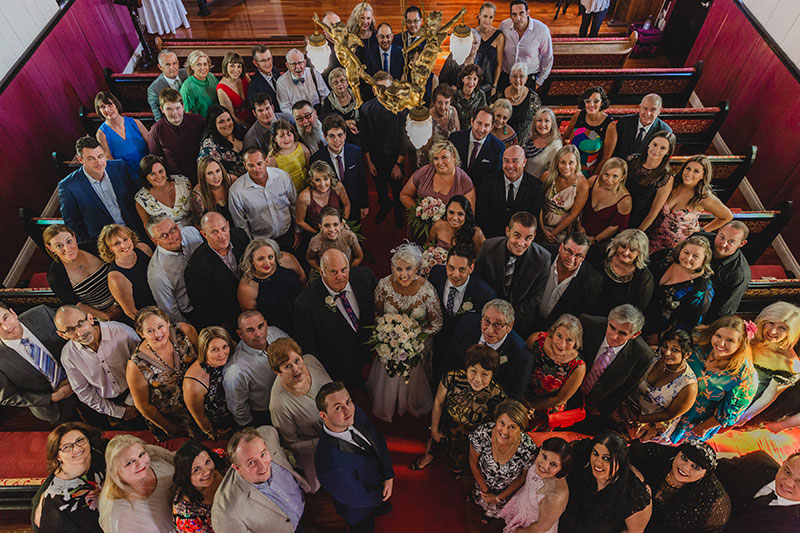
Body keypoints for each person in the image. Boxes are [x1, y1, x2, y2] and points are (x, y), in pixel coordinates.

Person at [366, 243, 442, 421]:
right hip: (390, 343)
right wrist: (387, 332)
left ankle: (411, 401)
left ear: (417, 267)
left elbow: (437, 323)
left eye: (409, 269)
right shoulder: (384, 286)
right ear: (392, 267)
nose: (404, 274)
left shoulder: (427, 290)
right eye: (398, 269)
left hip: (418, 344)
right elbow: (377, 314)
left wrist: (413, 338)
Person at [413, 345, 506, 474]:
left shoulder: (498, 395)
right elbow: (438, 404)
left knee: (457, 467)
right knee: (430, 452)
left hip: (470, 438)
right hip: (447, 426)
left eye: (485, 374)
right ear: (467, 367)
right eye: (473, 371)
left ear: (492, 375)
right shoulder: (450, 379)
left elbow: (495, 426)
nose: (478, 379)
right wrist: (434, 429)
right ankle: (427, 458)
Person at [315, 382, 395, 532]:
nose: (348, 410)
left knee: (378, 506)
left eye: (348, 402)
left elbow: (378, 439)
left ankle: (378, 507)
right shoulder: (328, 461)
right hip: (358, 510)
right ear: (323, 415)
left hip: (377, 484)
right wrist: (381, 495)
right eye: (338, 407)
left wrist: (388, 475)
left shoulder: (354, 413)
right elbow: (356, 497)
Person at [294, 249, 378, 386]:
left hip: (371, 356)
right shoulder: (305, 304)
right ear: (322, 272)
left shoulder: (365, 276)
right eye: (334, 272)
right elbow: (310, 348)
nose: (341, 276)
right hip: (340, 368)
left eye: (344, 270)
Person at [669, 315, 758, 442]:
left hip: (692, 421)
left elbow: (728, 414)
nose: (721, 343)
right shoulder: (699, 345)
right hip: (669, 403)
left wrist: (702, 428)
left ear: (741, 344)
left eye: (730, 340)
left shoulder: (745, 376)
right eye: (718, 336)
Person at [212, 426, 309, 532]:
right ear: (237, 468)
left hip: (304, 511)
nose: (263, 466)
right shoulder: (226, 513)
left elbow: (268, 430)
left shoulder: (266, 437)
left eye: (263, 454)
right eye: (251, 462)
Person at [55, 306, 140, 426]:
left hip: (141, 392)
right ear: (62, 335)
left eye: (80, 323)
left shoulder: (121, 332)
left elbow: (144, 366)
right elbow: (84, 392)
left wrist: (132, 402)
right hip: (111, 404)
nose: (80, 333)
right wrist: (119, 412)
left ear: (90, 318)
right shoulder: (68, 356)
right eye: (70, 330)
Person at [268, 337, 332, 493]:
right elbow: (291, 443)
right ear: (277, 371)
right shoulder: (279, 404)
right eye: (287, 366)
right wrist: (325, 441)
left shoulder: (311, 361)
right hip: (317, 447)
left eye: (297, 361)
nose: (296, 369)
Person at [126, 306, 199, 440]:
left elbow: (204, 359)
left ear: (168, 322)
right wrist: (169, 428)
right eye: (150, 331)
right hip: (175, 419)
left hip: (201, 402)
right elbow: (144, 406)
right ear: (141, 333)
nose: (158, 334)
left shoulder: (185, 331)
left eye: (160, 326)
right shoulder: (136, 365)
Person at [613, 328, 698, 442]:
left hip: (649, 425)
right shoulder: (652, 355)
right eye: (665, 346)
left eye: (675, 350)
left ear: (687, 355)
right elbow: (627, 378)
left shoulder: (688, 386)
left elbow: (670, 414)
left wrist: (638, 419)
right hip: (623, 408)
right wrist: (622, 404)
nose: (667, 352)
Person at [475, 211, 550, 337]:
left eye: (528, 238)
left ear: (534, 236)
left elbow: (536, 296)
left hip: (519, 320)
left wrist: (507, 320)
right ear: (507, 231)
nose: (521, 243)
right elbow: (478, 281)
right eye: (517, 235)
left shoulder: (543, 258)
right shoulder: (488, 247)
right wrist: (492, 316)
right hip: (486, 313)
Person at [559, 431, 652, 533]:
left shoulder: (635, 493)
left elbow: (633, 531)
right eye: (595, 453)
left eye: (606, 458)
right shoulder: (580, 460)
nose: (598, 462)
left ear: (620, 461)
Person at [629, 440, 730, 533]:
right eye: (684, 458)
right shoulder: (656, 456)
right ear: (677, 453)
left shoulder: (712, 499)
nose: (685, 467)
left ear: (705, 474)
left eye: (695, 467)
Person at [58, 136, 142, 246]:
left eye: (100, 156)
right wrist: (93, 248)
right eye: (91, 159)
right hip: (105, 244)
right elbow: (74, 226)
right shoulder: (68, 187)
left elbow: (140, 194)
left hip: (135, 232)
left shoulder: (120, 167)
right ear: (80, 160)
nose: (98, 162)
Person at [428, 246, 497, 378]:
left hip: (463, 350)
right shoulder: (436, 274)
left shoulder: (485, 293)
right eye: (451, 268)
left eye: (462, 270)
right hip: (437, 341)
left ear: (471, 268)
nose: (455, 274)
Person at [0, 302, 74, 424]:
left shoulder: (42, 314)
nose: (6, 327)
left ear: (13, 313)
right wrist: (53, 397)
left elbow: (74, 333)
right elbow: (7, 397)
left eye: (6, 318)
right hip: (54, 406)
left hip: (84, 382)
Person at [445, 299, 534, 399]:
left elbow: (513, 396)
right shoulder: (467, 323)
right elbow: (448, 358)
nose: (489, 330)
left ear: (509, 326)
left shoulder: (522, 356)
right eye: (487, 321)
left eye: (497, 324)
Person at [579, 304, 654, 418]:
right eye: (612, 327)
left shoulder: (642, 355)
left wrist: (603, 408)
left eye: (622, 333)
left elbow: (627, 387)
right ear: (608, 321)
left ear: (635, 334)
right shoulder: (587, 324)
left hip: (594, 407)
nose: (614, 336)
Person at [648, 155, 733, 254]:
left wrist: (701, 230)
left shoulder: (704, 197)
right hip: (651, 237)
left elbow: (727, 216)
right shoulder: (672, 184)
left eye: (696, 171)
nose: (689, 173)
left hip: (674, 248)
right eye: (688, 168)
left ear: (703, 175)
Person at [469, 399, 537, 521]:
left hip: (506, 492)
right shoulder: (482, 433)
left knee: (496, 510)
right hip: (482, 483)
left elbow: (522, 478)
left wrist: (498, 498)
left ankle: (490, 514)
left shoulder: (528, 449)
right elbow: (473, 463)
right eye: (502, 423)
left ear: (521, 429)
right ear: (496, 420)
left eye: (512, 427)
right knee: (480, 498)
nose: (504, 431)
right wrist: (485, 491)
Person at [32, 422, 106, 532]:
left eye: (80, 440)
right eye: (67, 447)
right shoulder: (57, 498)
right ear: (57, 456)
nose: (77, 449)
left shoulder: (98, 450)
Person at [736, 301, 800, 427]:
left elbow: (768, 397)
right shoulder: (748, 334)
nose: (773, 331)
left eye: (783, 328)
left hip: (740, 401)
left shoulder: (791, 363)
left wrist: (742, 418)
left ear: (792, 332)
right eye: (770, 323)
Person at [184, 211, 249, 332]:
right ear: (204, 234)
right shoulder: (195, 268)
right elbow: (205, 309)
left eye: (224, 228)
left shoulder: (240, 236)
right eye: (214, 232)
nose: (222, 235)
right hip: (231, 320)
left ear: (228, 225)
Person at [98, 434, 176, 533]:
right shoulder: (117, 515)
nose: (141, 463)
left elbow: (178, 459)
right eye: (130, 463)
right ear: (115, 470)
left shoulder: (152, 453)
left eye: (141, 454)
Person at [223, 310, 289, 427]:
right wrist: (253, 427)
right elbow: (237, 407)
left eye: (260, 326)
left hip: (292, 394)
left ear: (266, 324)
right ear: (240, 334)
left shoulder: (275, 333)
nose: (258, 333)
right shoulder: (235, 370)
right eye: (250, 330)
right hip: (266, 412)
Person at [44, 225, 122, 322]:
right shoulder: (55, 275)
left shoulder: (94, 248)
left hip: (124, 299)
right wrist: (106, 316)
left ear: (74, 237)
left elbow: (120, 271)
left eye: (69, 241)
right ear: (50, 248)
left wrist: (118, 304)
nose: (67, 248)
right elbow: (77, 305)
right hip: (99, 318)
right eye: (59, 246)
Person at [359, 71, 407, 227]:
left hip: (395, 158)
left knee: (397, 190)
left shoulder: (400, 108)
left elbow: (404, 138)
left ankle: (399, 212)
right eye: (378, 88)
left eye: (386, 87)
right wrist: (369, 163)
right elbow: (364, 137)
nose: (383, 91)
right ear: (373, 89)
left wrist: (398, 164)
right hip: (376, 159)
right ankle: (384, 207)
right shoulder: (366, 109)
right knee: (380, 189)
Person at [229, 147, 299, 251]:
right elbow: (241, 224)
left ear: (266, 161)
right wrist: (252, 246)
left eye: (259, 163)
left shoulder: (282, 177)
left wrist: (297, 231)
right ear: (245, 166)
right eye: (251, 165)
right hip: (261, 242)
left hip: (288, 235)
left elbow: (294, 204)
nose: (256, 169)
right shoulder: (237, 191)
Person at [524, 314, 586, 430]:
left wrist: (530, 406)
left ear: (576, 342)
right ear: (553, 332)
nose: (562, 344)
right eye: (559, 336)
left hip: (545, 410)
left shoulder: (578, 367)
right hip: (521, 395)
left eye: (569, 340)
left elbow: (559, 400)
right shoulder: (536, 340)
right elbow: (519, 367)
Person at [644, 235, 715, 337]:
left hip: (661, 332)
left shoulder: (701, 288)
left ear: (703, 260)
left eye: (695, 256)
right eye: (686, 252)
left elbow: (689, 322)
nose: (688, 258)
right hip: (639, 313)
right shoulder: (665, 257)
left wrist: (662, 336)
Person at [498, 437, 572, 533]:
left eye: (553, 464)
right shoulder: (535, 458)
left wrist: (519, 531)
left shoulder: (555, 497)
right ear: (540, 450)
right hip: (523, 503)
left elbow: (540, 528)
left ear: (562, 468)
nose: (544, 466)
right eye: (544, 456)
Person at [715, 450, 800, 533]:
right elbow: (716, 469)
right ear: (783, 463)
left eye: (799, 481)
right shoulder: (758, 461)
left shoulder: (794, 527)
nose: (788, 483)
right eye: (787, 472)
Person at [237, 238, 304, 336]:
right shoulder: (247, 287)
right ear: (251, 260)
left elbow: (302, 278)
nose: (267, 263)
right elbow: (253, 319)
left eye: (270, 257)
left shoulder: (286, 260)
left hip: (303, 316)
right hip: (280, 330)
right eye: (260, 259)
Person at [535, 233, 601, 331]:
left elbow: (580, 319)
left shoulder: (592, 281)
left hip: (556, 333)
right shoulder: (543, 253)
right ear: (561, 247)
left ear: (584, 257)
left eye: (578, 256)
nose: (571, 258)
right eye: (568, 251)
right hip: (526, 318)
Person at [309, 114, 369, 220]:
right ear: (325, 137)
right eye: (332, 136)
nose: (337, 140)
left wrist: (364, 204)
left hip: (353, 203)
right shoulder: (316, 159)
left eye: (340, 135)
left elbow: (361, 179)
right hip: (330, 208)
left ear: (345, 135)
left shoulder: (355, 151)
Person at [476, 144, 543, 239]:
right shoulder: (489, 181)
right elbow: (482, 214)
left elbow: (532, 221)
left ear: (524, 162)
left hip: (520, 240)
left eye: (515, 161)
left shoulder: (536, 187)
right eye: (506, 161)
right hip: (491, 238)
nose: (510, 166)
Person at [146, 215, 204, 324]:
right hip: (194, 312)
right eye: (164, 235)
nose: (172, 237)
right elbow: (170, 311)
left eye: (173, 230)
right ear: (155, 240)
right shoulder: (157, 274)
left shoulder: (191, 233)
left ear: (177, 226)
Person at [401, 139, 477, 219]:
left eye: (444, 157)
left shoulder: (465, 181)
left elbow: (470, 215)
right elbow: (404, 195)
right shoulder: (424, 172)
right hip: (421, 227)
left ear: (454, 157)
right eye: (436, 158)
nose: (440, 163)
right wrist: (422, 214)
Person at [183, 326, 235, 440]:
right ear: (204, 350)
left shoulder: (230, 350)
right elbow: (200, 417)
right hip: (219, 425)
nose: (222, 354)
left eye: (224, 347)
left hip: (237, 412)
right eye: (214, 350)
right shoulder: (193, 383)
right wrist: (213, 433)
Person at [696, 221, 751, 323]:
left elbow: (723, 311)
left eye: (731, 241)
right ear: (719, 230)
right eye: (722, 237)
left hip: (703, 312)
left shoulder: (739, 274)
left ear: (742, 243)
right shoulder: (701, 239)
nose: (724, 244)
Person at [99, 224, 156, 320]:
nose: (123, 245)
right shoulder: (116, 277)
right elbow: (131, 312)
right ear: (110, 249)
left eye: (125, 239)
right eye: (116, 243)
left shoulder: (144, 248)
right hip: (146, 317)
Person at [147, 88, 206, 180]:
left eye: (177, 108)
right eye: (169, 109)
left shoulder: (198, 121)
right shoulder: (156, 130)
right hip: (176, 178)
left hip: (202, 172)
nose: (174, 113)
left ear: (183, 106)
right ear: (162, 109)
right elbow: (156, 158)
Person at [625, 130, 676, 232]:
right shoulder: (632, 161)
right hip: (620, 212)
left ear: (668, 152)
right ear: (649, 144)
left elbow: (654, 212)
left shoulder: (665, 177)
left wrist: (637, 232)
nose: (656, 150)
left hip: (638, 220)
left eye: (662, 148)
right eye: (655, 144)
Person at [595, 229, 654, 315]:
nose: (626, 252)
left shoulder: (644, 278)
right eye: (623, 246)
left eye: (632, 250)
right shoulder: (600, 253)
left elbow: (637, 311)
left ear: (640, 253)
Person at [171, 441, 227, 533]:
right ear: (186, 476)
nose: (207, 471)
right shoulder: (188, 518)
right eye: (196, 469)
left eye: (207, 462)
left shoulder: (219, 458)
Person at [498, 0, 553, 91]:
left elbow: (547, 57)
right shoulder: (504, 26)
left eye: (521, 13)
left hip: (528, 78)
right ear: (511, 15)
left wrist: (540, 81)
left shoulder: (541, 30)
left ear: (528, 13)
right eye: (514, 14)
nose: (518, 18)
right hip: (507, 77)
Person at [539, 144, 588, 244]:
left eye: (571, 163)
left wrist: (552, 233)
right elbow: (537, 203)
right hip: (540, 223)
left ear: (577, 163)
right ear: (557, 162)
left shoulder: (582, 184)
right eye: (562, 162)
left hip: (562, 229)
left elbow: (573, 214)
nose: (566, 167)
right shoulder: (547, 176)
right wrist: (542, 229)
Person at [577, 157, 631, 246]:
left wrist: (595, 239)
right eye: (606, 174)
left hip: (599, 243)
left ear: (622, 177)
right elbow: (579, 205)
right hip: (578, 230)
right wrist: (578, 225)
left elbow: (615, 227)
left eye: (615, 176)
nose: (609, 180)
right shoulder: (592, 181)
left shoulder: (625, 200)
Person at [565, 86, 617, 177]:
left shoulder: (610, 125)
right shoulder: (578, 116)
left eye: (596, 101)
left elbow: (605, 158)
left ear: (602, 103)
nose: (591, 104)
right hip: (568, 168)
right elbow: (565, 138)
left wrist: (592, 179)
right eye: (588, 101)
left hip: (590, 172)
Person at [94, 92, 149, 176]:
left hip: (148, 169)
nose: (107, 110)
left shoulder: (135, 122)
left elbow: (151, 144)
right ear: (99, 110)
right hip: (127, 175)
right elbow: (109, 159)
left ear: (116, 104)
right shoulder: (101, 134)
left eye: (110, 105)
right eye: (103, 107)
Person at [134, 154, 193, 228]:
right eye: (152, 174)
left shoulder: (184, 182)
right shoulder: (141, 200)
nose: (159, 176)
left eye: (161, 171)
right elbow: (149, 229)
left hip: (195, 229)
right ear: (146, 177)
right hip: (169, 237)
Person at [612, 93, 673, 162]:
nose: (648, 113)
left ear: (659, 111)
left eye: (653, 110)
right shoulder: (624, 122)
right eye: (645, 108)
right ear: (640, 107)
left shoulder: (664, 131)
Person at [495, 62, 541, 146]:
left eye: (521, 76)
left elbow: (537, 119)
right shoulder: (499, 96)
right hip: (501, 142)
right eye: (514, 76)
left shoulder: (533, 98)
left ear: (526, 79)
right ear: (509, 78)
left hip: (524, 143)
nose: (518, 80)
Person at [306, 206, 363, 271]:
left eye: (335, 224)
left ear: (341, 225)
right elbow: (310, 258)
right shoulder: (316, 241)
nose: (332, 229)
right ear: (320, 226)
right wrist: (321, 271)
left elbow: (359, 256)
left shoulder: (349, 236)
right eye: (327, 225)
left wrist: (348, 271)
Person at [198, 105, 246, 178]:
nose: (227, 124)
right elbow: (206, 174)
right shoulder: (209, 147)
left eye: (229, 119)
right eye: (221, 122)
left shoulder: (241, 131)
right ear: (213, 125)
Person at [189, 156, 235, 227]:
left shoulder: (232, 180)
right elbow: (198, 225)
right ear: (203, 176)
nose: (216, 177)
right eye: (210, 173)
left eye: (217, 171)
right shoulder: (197, 195)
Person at [269, 119, 311, 193]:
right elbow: (272, 181)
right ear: (275, 139)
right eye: (281, 136)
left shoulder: (301, 146)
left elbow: (310, 165)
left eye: (289, 134)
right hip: (288, 192)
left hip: (307, 187)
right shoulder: (273, 158)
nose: (286, 138)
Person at [320, 68, 361, 142]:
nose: (339, 84)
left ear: (347, 82)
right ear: (331, 86)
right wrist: (345, 124)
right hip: (340, 139)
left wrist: (354, 123)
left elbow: (364, 116)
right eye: (335, 82)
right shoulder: (327, 102)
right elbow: (328, 123)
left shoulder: (357, 95)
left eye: (342, 80)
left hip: (359, 130)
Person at [148, 49, 189, 121]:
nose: (172, 68)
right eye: (168, 65)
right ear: (160, 67)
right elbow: (159, 118)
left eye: (174, 63)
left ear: (178, 63)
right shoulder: (154, 90)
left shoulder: (187, 74)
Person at [474, 2, 505, 96]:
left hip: (489, 82)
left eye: (491, 17)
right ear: (479, 16)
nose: (487, 20)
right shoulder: (472, 33)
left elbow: (499, 64)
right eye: (485, 16)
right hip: (472, 81)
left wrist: (494, 86)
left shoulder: (499, 36)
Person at [523, 107, 563, 179]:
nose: (542, 124)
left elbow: (553, 172)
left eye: (547, 121)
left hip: (539, 185)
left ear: (552, 124)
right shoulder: (529, 137)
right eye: (539, 120)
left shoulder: (555, 145)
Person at [216, 52, 251, 126]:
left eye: (239, 66)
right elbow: (231, 116)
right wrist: (248, 127)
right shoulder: (221, 89)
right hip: (239, 124)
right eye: (232, 66)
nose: (236, 70)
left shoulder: (245, 77)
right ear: (225, 66)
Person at [180, 50, 219, 117]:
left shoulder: (211, 76)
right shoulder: (187, 87)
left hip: (218, 118)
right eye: (198, 64)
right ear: (192, 67)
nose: (203, 68)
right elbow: (188, 115)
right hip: (201, 124)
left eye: (205, 64)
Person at [453, 64, 488, 130]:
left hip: (474, 131)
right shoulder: (454, 94)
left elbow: (483, 115)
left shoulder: (481, 95)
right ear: (462, 79)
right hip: (457, 130)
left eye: (475, 79)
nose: (471, 82)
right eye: (468, 78)